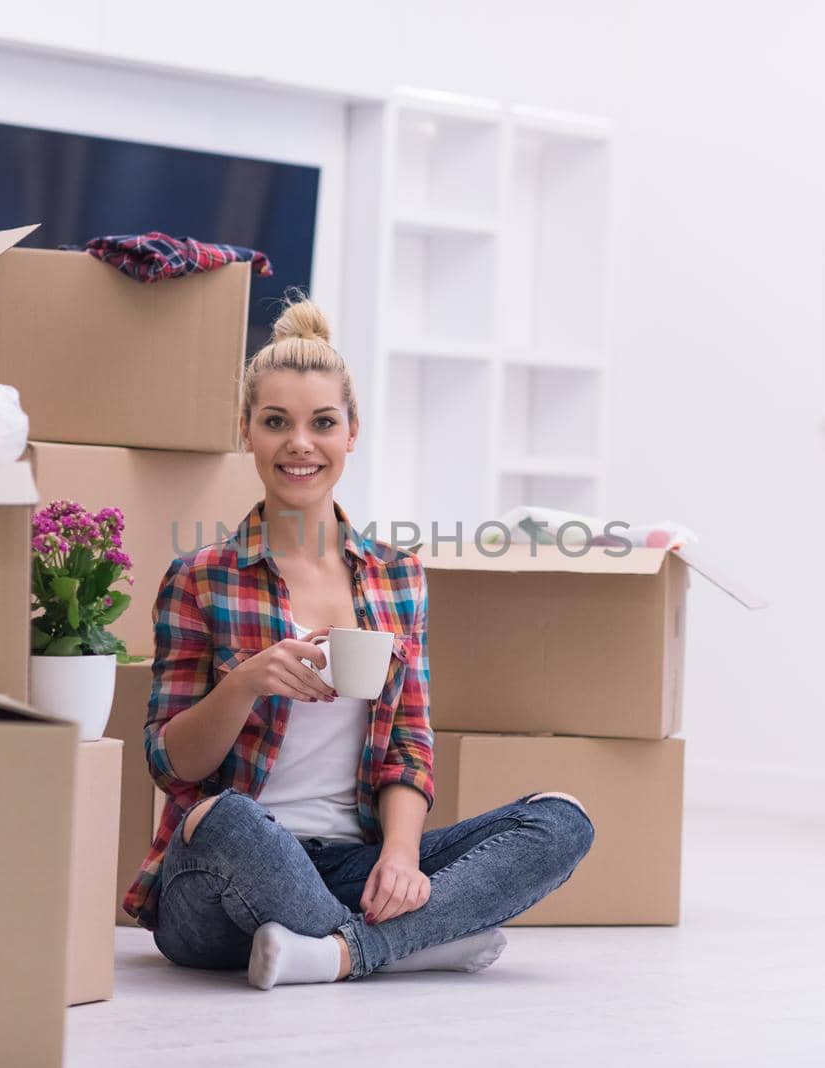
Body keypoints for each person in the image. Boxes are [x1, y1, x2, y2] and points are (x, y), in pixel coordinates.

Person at [126, 296, 594, 990]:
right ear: (246, 432)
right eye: (275, 422)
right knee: (225, 818)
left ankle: (334, 952)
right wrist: (247, 681)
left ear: (352, 433)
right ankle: (414, 944)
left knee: (560, 821)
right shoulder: (200, 578)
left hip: (354, 863)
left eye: (323, 423)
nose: (300, 444)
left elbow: (409, 744)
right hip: (222, 883)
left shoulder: (398, 577)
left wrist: (401, 856)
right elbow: (170, 763)